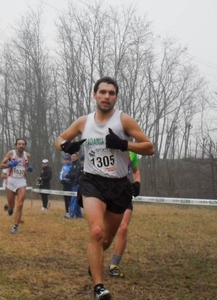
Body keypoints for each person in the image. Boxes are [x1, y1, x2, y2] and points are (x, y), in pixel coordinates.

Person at [55, 76, 155, 300]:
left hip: (119, 186)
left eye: (111, 93)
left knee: (106, 240)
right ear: (95, 95)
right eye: (103, 92)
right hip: (92, 182)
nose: (107, 96)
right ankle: (99, 287)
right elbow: (60, 138)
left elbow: (150, 148)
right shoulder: (84, 122)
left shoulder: (123, 121)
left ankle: (95, 263)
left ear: (116, 97)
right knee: (96, 232)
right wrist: (65, 145)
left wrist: (123, 144)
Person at [109, 151, 141, 278]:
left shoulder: (132, 152)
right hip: (105, 191)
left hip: (124, 192)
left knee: (123, 228)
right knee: (105, 233)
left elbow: (135, 171)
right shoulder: (106, 146)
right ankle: (95, 259)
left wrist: (137, 183)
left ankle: (114, 265)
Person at [0, 138, 32, 234]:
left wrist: (28, 169)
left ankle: (15, 226)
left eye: (23, 144)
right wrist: (9, 164)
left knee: (20, 203)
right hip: (11, 180)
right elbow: (1, 165)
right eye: (19, 144)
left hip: (21, 181)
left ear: (25, 145)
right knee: (12, 205)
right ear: (16, 145)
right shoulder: (11, 153)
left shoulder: (27, 155)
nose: (21, 145)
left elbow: (25, 166)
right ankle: (9, 208)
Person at [65, 154, 84, 218]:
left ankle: (72, 214)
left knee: (74, 200)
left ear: (77, 157)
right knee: (76, 200)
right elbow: (70, 173)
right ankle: (78, 214)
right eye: (72, 156)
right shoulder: (72, 165)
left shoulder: (78, 165)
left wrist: (67, 176)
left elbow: (76, 175)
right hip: (72, 184)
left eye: (74, 156)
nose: (73, 158)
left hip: (77, 184)